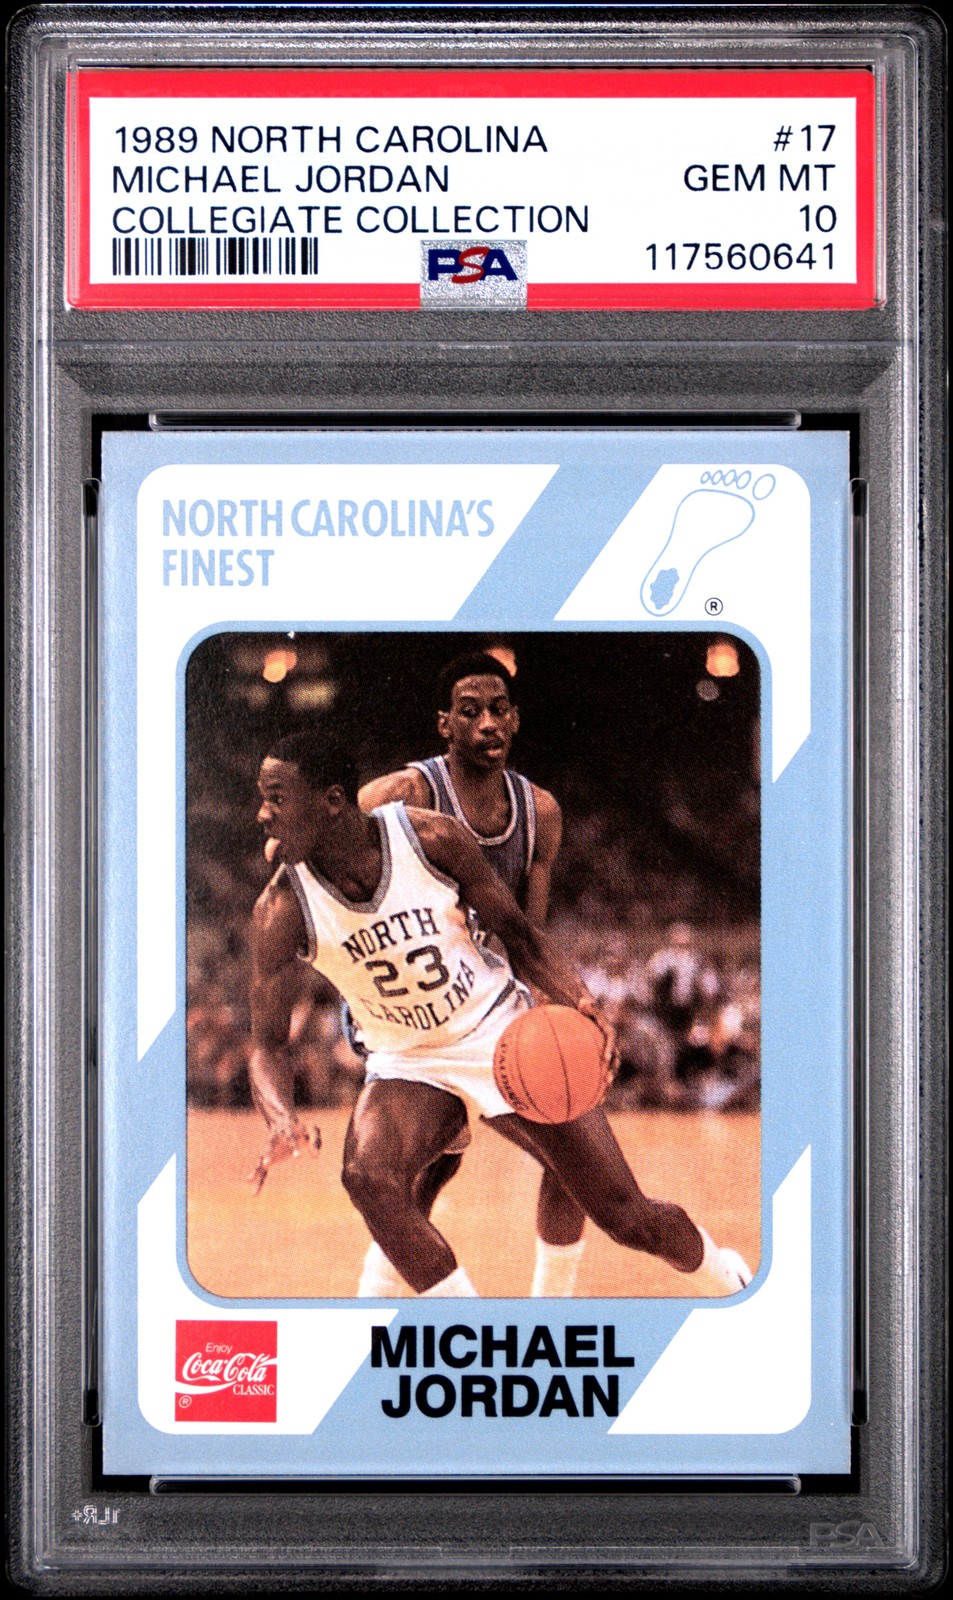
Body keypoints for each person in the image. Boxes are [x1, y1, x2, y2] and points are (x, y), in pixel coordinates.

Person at [248, 730, 751, 1299]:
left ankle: (725, 1276)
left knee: (626, 1217)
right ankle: (474, 1326)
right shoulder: (280, 909)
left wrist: (581, 1000)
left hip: (498, 1031)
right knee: (368, 1176)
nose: (262, 816)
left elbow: (520, 935)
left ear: (333, 801)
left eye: (276, 799)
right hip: (409, 1061)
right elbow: (267, 1045)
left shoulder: (430, 839)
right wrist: (280, 1118)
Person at [352, 651, 587, 1298]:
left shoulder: (540, 811)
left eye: (499, 709)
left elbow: (527, 935)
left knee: (569, 1149)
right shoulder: (406, 793)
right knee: (430, 1160)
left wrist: (557, 1010)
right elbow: (335, 835)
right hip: (410, 1007)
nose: (488, 723)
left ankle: (551, 1310)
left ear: (516, 718)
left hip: (485, 1004)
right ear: (444, 724)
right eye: (470, 711)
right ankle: (374, 1300)